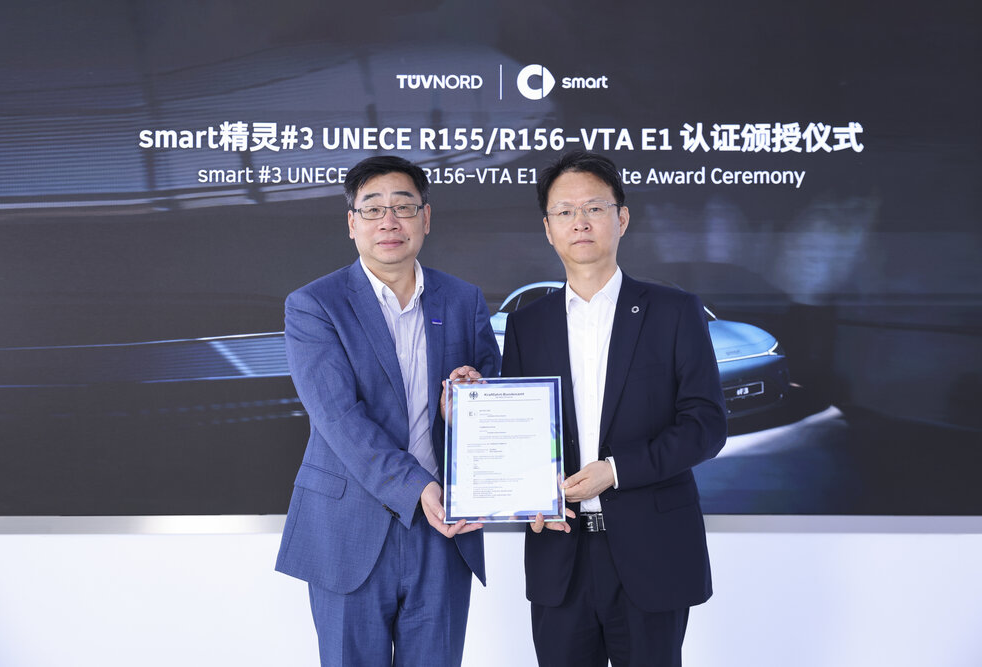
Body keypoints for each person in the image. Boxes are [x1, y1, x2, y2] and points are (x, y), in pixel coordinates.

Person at [500, 151, 727, 667]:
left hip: (652, 553)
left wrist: (616, 471)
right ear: (548, 229)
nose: (579, 222)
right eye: (564, 211)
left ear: (621, 218)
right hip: (560, 555)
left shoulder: (674, 311)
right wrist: (524, 495)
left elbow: (706, 425)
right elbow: (520, 435)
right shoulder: (527, 325)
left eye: (594, 208)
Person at [275, 155, 500, 666]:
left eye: (403, 206)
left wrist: (469, 404)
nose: (389, 221)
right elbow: (338, 418)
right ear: (351, 222)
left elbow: (491, 402)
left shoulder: (463, 300)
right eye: (373, 209)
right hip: (348, 528)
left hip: (444, 529)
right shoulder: (314, 305)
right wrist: (416, 487)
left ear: (426, 217)